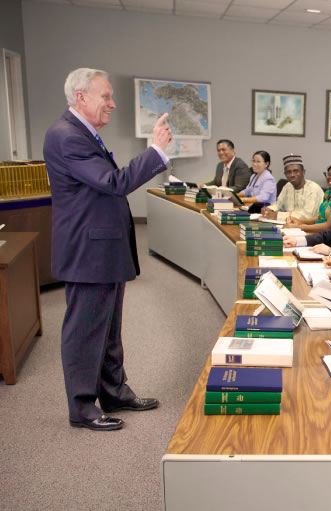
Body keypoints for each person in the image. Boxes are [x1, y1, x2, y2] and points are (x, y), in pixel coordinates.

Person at [45, 68, 172, 431]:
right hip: (88, 252)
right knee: (86, 332)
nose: (113, 104)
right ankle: (82, 406)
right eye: (106, 97)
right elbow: (113, 183)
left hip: (101, 250)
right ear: (81, 97)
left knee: (108, 328)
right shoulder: (67, 136)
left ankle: (114, 391)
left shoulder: (83, 134)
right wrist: (155, 153)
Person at [286, 163, 331, 234]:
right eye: (329, 174)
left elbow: (328, 226)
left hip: (330, 239)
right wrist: (300, 221)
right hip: (318, 233)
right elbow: (321, 218)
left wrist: (297, 227)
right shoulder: (328, 193)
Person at [264, 154, 324, 223]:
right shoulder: (288, 186)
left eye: (296, 171)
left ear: (303, 172)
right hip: (289, 226)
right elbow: (278, 205)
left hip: (309, 228)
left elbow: (307, 216)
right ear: (285, 174)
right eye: (289, 172)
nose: (292, 175)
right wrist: (269, 209)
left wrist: (277, 215)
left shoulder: (313, 189)